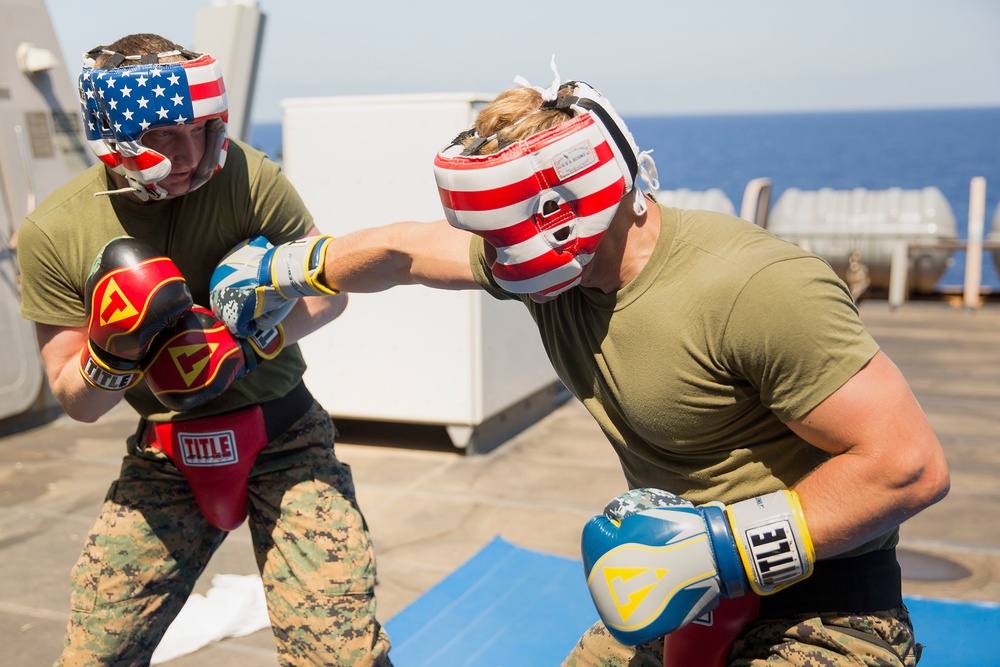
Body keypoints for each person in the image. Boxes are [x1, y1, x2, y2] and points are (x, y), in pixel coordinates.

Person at [222, 61, 951, 666]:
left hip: (821, 610)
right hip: (676, 593)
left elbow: (909, 464)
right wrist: (292, 265)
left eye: (506, 233)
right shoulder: (547, 265)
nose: (493, 254)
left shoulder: (754, 287)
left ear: (565, 210)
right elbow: (409, 250)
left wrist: (725, 549)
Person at [16, 34, 391, 666]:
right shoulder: (55, 231)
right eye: (164, 134)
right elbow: (74, 401)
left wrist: (244, 345)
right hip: (165, 453)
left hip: (286, 436)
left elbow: (330, 295)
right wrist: (114, 352)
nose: (189, 153)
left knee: (343, 658)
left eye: (201, 127)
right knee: (93, 658)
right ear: (115, 133)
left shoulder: (249, 177)